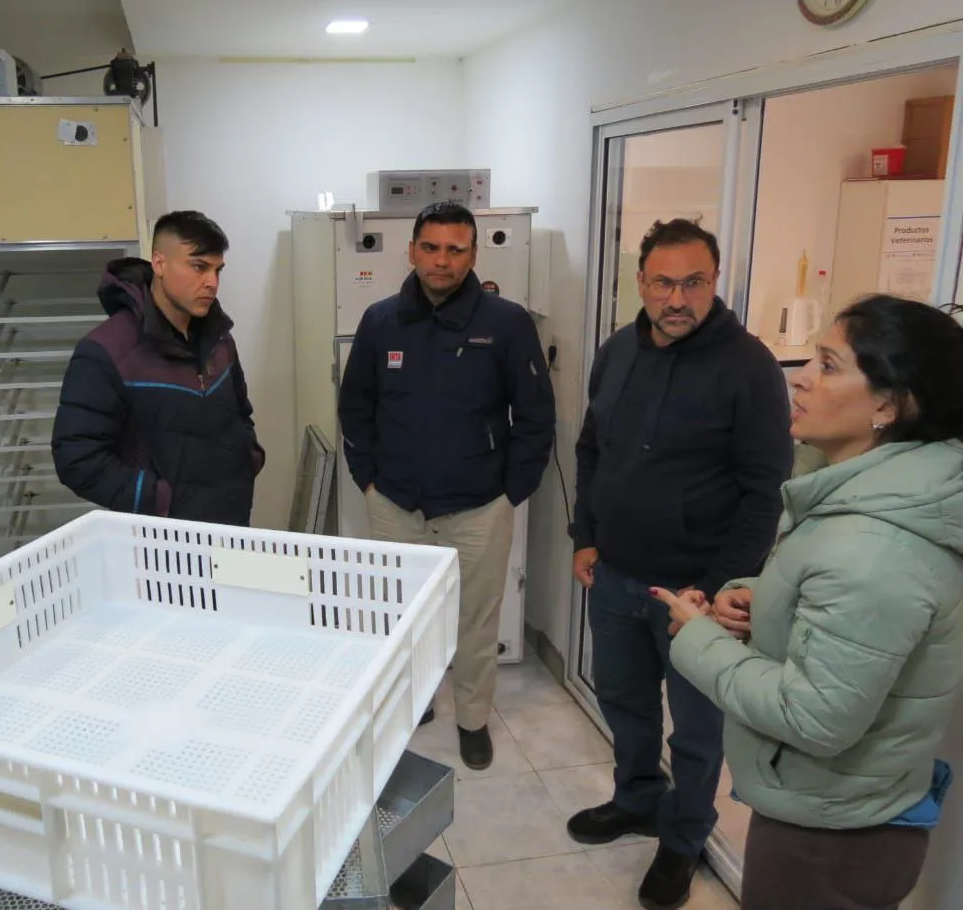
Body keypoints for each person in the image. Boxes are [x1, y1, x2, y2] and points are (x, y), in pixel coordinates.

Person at [655, 295, 963, 910]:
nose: (802, 377)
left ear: (888, 403)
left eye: (828, 364)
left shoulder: (875, 546)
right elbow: (846, 609)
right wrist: (761, 600)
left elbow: (815, 717)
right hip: (840, 814)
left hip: (832, 840)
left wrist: (698, 638)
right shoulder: (869, 495)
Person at [569, 218, 793, 909]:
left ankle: (685, 838)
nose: (678, 298)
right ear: (640, 283)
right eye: (664, 282)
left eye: (694, 282)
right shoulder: (616, 351)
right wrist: (586, 535)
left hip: (696, 596)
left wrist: (718, 589)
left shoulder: (749, 366)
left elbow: (764, 491)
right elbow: (591, 447)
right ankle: (637, 799)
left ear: (714, 282)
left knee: (696, 730)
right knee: (624, 703)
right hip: (616, 575)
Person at [338, 201, 556, 770]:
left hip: (479, 504)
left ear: (473, 255)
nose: (442, 260)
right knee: (401, 617)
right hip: (394, 502)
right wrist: (367, 478)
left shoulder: (505, 323)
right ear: (411, 251)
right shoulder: (380, 320)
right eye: (431, 248)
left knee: (476, 619)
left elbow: (535, 416)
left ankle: (473, 718)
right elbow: (355, 406)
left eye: (456, 249)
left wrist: (513, 490)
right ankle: (414, 705)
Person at [52, 210, 264, 525]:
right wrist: (155, 498)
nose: (212, 283)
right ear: (160, 263)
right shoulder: (106, 350)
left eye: (218, 271)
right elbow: (77, 457)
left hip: (231, 524)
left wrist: (248, 458)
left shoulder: (219, 340)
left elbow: (240, 413)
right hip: (160, 543)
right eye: (198, 267)